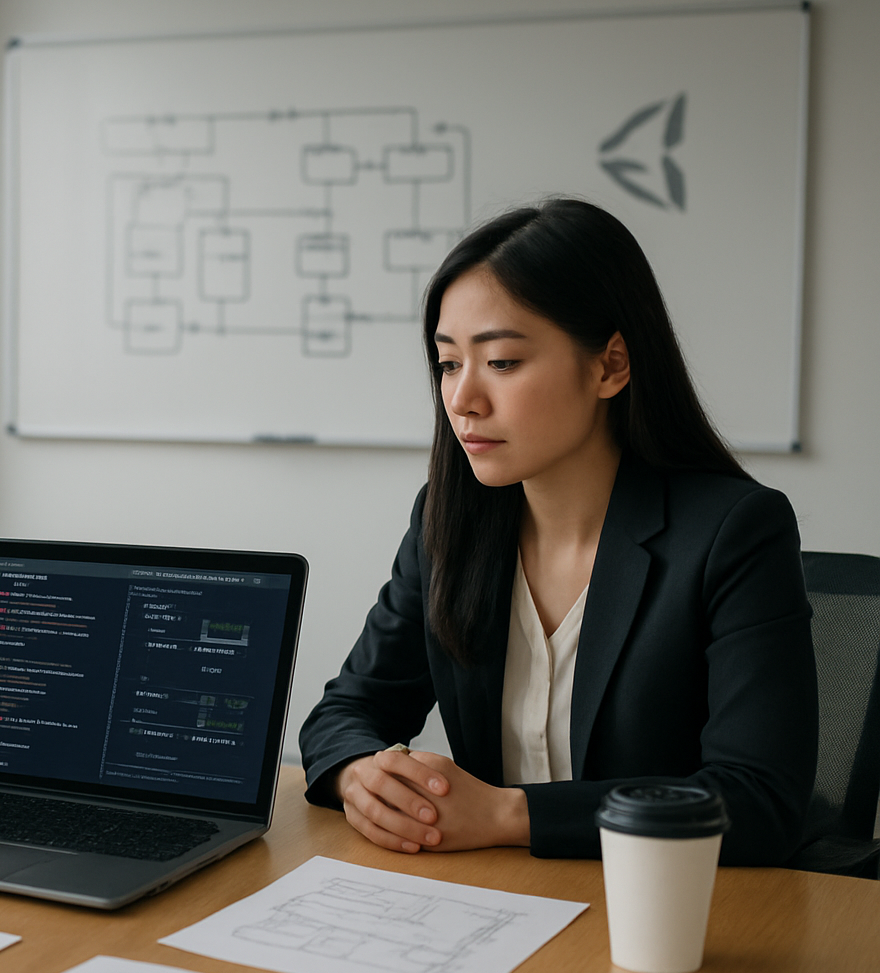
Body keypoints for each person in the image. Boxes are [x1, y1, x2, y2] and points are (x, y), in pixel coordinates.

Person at [299, 198, 817, 866]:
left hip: (667, 917)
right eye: (449, 363)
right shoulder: (447, 522)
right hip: (501, 907)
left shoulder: (733, 534)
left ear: (610, 365)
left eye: (503, 363)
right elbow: (345, 713)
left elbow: (757, 801)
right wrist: (359, 777)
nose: (462, 400)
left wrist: (508, 814)